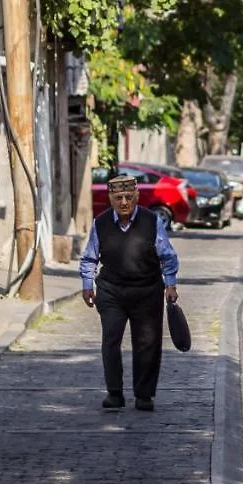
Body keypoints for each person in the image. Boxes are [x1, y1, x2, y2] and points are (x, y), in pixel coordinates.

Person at [79, 173, 179, 412]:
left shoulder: (151, 221)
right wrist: (87, 285)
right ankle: (114, 393)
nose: (124, 202)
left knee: (147, 342)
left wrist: (170, 284)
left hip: (147, 291)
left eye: (128, 197)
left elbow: (167, 255)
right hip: (111, 291)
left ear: (137, 196)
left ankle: (144, 395)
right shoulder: (100, 223)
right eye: (118, 197)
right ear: (111, 199)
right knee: (111, 340)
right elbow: (90, 257)